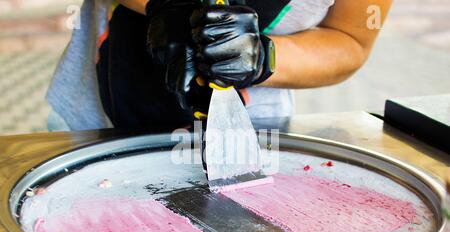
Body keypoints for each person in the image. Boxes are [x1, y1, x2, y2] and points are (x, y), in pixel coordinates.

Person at [47, 0, 392, 132]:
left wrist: (262, 57)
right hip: (90, 119)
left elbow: (350, 39)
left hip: (253, 139)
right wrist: (164, 3)